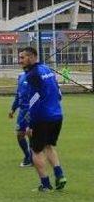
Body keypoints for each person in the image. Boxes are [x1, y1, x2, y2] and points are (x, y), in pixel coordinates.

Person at [18, 47, 66, 192]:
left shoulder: (32, 74)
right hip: (57, 115)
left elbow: (34, 100)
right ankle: (60, 175)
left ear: (32, 57)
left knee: (36, 151)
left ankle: (45, 185)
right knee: (49, 146)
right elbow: (59, 93)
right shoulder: (47, 69)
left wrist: (29, 124)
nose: (20, 61)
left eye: (23, 57)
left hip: (42, 117)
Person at [8, 72, 33, 167]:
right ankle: (29, 156)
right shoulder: (21, 77)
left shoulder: (34, 76)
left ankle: (31, 158)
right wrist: (13, 109)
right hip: (22, 111)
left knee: (28, 133)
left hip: (30, 109)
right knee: (21, 134)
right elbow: (18, 96)